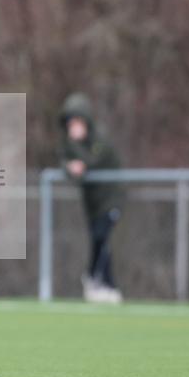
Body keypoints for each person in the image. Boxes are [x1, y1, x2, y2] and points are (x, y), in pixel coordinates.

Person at [59, 92, 124, 303]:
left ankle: (92, 277)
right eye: (71, 123)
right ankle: (109, 286)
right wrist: (71, 167)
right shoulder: (69, 144)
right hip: (92, 204)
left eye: (77, 122)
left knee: (101, 237)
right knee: (100, 241)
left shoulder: (99, 139)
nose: (74, 127)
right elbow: (65, 164)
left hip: (111, 199)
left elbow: (93, 161)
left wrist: (80, 162)